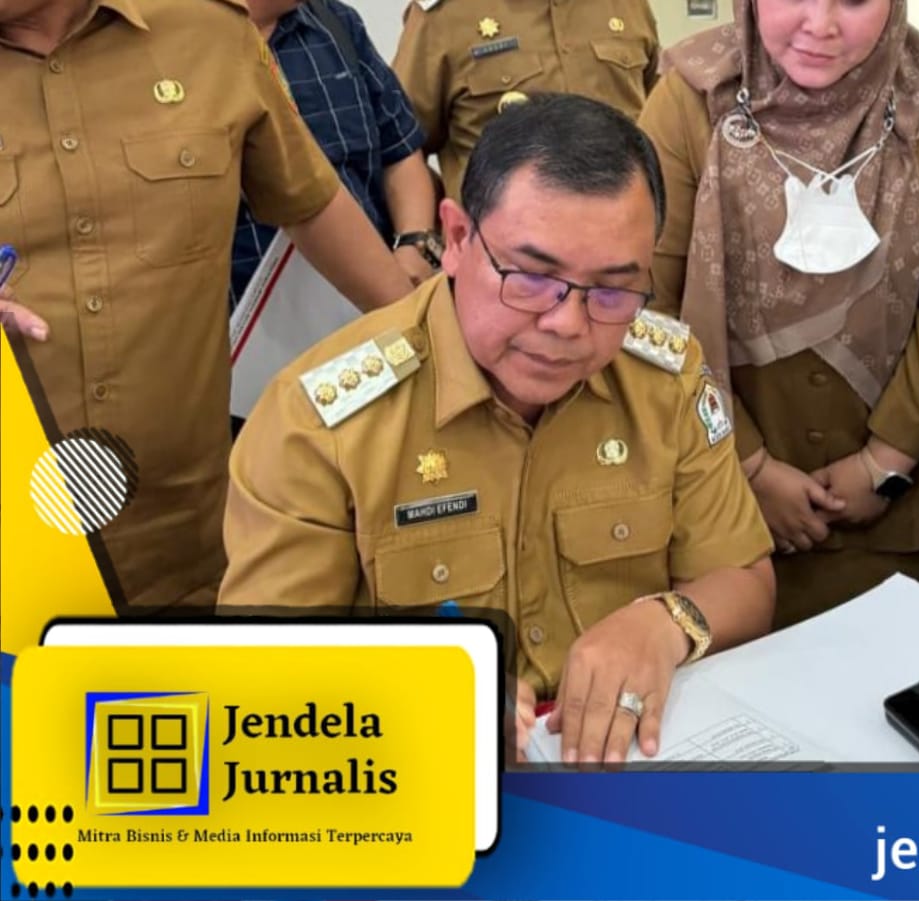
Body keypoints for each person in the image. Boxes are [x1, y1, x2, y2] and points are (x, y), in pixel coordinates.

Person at [217, 94, 777, 764]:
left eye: (611, 290)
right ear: (456, 239)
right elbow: (259, 668)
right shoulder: (320, 420)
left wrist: (665, 624)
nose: (567, 324)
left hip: (626, 764)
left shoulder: (664, 378)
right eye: (532, 277)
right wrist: (411, 686)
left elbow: (745, 578)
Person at [0, 0, 414, 612]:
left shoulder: (209, 34)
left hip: (190, 550)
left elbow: (311, 203)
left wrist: (428, 339)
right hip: (13, 560)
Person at [639, 0, 919, 628]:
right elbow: (651, 303)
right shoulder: (690, 99)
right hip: (710, 495)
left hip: (885, 512)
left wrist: (885, 463)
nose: (820, 25)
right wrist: (745, 465)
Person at [233, 0, 440, 302]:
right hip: (245, 316)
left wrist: (415, 244)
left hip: (377, 302)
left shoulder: (335, 23)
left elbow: (400, 150)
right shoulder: (185, 50)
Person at [392, 0, 660, 201]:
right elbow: (398, 146)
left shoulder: (629, 5)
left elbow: (656, 118)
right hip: (503, 249)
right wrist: (436, 229)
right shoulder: (444, 15)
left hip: (624, 240)